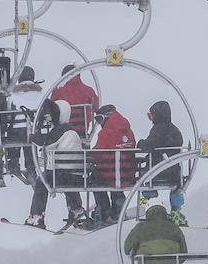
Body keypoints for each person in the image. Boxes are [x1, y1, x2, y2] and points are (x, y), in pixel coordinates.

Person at [24, 99, 87, 229]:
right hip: (75, 176)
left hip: (62, 175)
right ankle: (76, 209)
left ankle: (36, 216)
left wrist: (33, 134)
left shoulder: (60, 130)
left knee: (41, 183)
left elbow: (45, 143)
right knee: (68, 180)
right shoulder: (70, 129)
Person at [138, 99, 187, 223]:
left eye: (151, 116)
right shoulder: (175, 130)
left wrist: (141, 143)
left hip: (157, 171)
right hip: (174, 172)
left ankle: (150, 202)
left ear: (158, 115)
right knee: (177, 187)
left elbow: (150, 144)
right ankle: (176, 211)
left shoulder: (158, 129)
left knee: (143, 178)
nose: (151, 119)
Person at [89, 103, 137, 226]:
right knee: (116, 175)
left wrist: (90, 155)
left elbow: (96, 154)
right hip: (127, 175)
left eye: (99, 119)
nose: (99, 124)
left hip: (109, 176)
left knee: (95, 180)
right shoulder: (129, 131)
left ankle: (104, 212)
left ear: (106, 117)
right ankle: (119, 206)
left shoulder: (105, 133)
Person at [10, 66, 45, 185]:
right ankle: (31, 168)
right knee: (30, 146)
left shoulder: (13, 92)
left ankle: (13, 162)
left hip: (16, 130)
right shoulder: (39, 92)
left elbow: (9, 110)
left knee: (13, 141)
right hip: (33, 128)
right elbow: (44, 107)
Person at [52, 64, 99, 136]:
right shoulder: (89, 91)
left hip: (63, 132)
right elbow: (97, 108)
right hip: (82, 131)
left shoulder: (58, 92)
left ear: (64, 77)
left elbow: (51, 109)